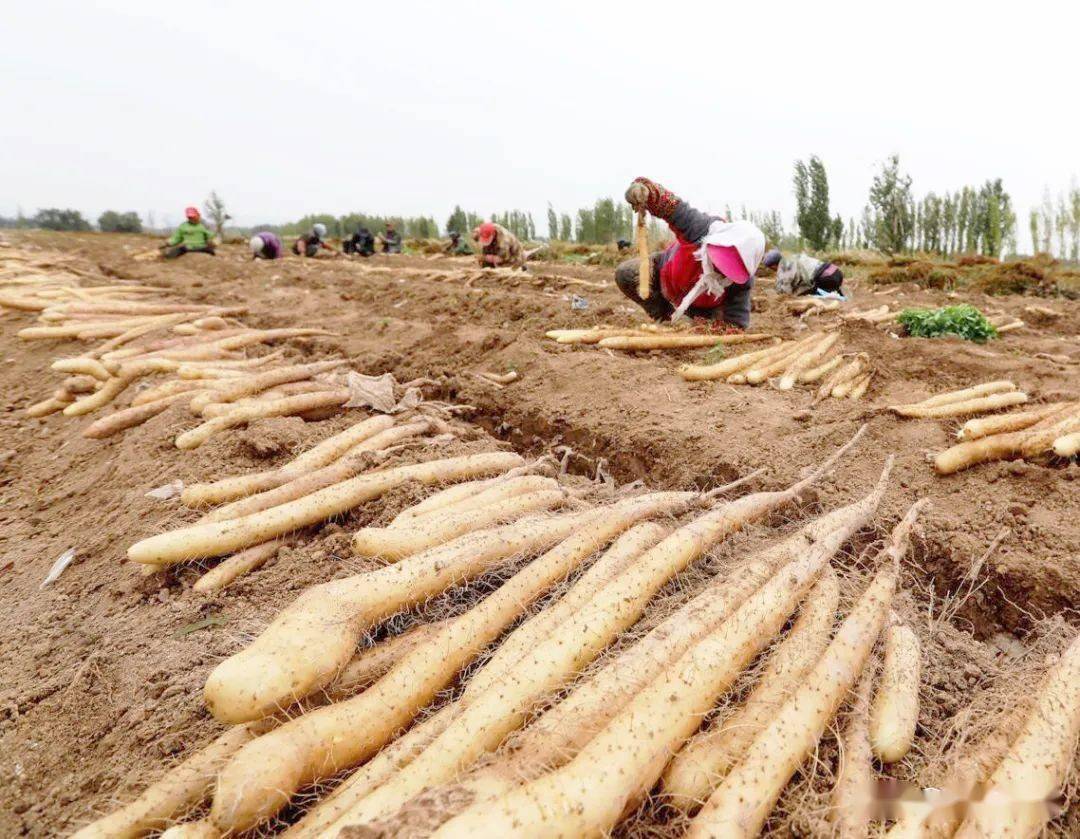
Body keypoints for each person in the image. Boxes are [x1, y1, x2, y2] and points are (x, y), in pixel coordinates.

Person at [615, 177, 764, 328]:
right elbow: (672, 207)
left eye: (728, 270)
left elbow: (736, 320)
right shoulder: (702, 229)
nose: (720, 270)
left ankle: (689, 321)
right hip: (665, 276)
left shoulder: (742, 281)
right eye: (721, 261)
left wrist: (727, 332)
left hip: (702, 309)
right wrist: (646, 192)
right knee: (626, 273)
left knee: (709, 327)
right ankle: (665, 318)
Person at [764, 249, 845, 296]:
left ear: (773, 266)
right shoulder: (793, 257)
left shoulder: (784, 267)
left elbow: (785, 294)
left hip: (827, 278)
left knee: (806, 293)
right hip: (836, 272)